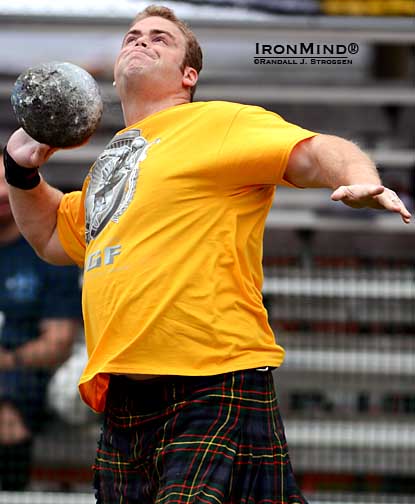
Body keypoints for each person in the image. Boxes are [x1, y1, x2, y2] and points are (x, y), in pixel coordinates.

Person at [2, 5, 412, 503]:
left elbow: (315, 150)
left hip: (209, 380)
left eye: (160, 39)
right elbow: (50, 236)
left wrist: (361, 179)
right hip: (127, 399)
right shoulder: (111, 165)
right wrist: (21, 175)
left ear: (188, 74)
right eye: (132, 36)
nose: (140, 41)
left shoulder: (217, 122)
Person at [0, 149, 82, 491]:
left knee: (5, 415)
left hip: (26, 374)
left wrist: (9, 360)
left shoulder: (46, 248)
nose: (3, 192)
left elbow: (59, 341)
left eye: (7, 181)